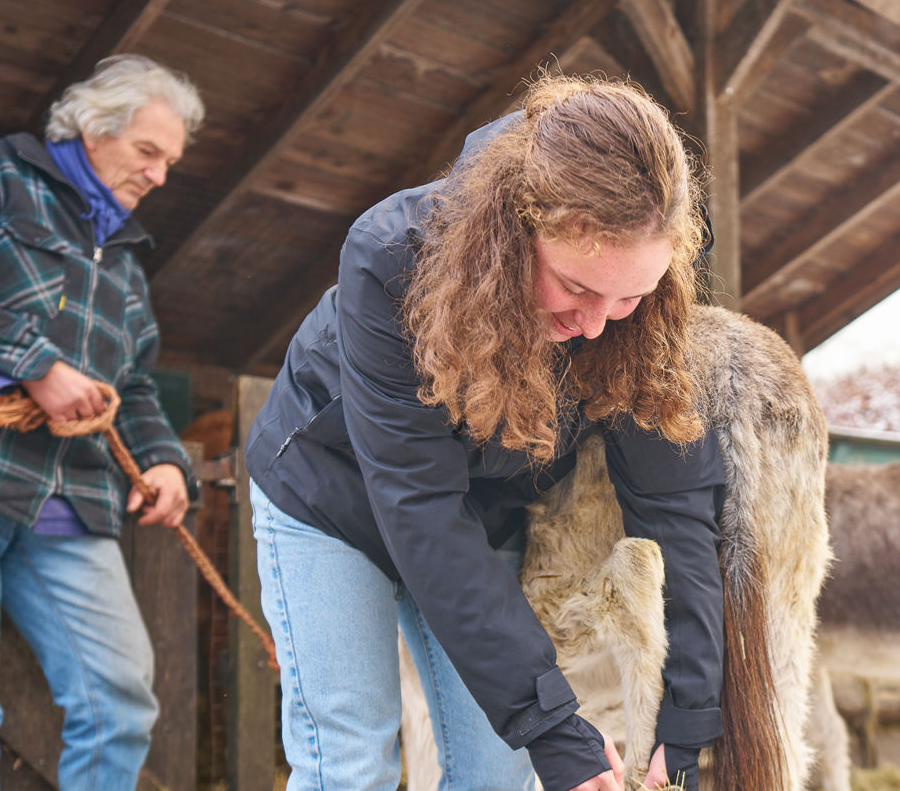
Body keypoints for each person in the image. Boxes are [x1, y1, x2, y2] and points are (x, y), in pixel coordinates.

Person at [244, 75, 725, 791]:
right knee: (351, 763)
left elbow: (676, 505)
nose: (596, 324)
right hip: (331, 498)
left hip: (480, 511)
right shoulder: (390, 257)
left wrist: (690, 714)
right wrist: (557, 728)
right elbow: (418, 504)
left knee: (499, 775)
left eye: (630, 296)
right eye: (578, 288)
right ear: (518, 229)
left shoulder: (632, 319)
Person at [0, 55, 205, 789]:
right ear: (90, 127)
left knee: (120, 703)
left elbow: (136, 383)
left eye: (170, 162)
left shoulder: (124, 265)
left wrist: (167, 462)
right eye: (147, 152)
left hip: (66, 502)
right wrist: (33, 365)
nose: (159, 176)